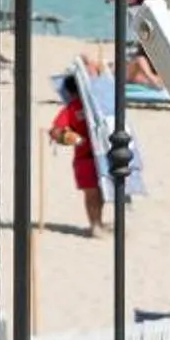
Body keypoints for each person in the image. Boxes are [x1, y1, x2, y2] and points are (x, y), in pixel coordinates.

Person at [48, 63, 107, 235]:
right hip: (85, 157)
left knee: (101, 193)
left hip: (100, 155)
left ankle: (98, 222)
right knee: (92, 192)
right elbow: (55, 131)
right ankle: (94, 225)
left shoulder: (97, 103)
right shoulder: (72, 108)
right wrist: (70, 138)